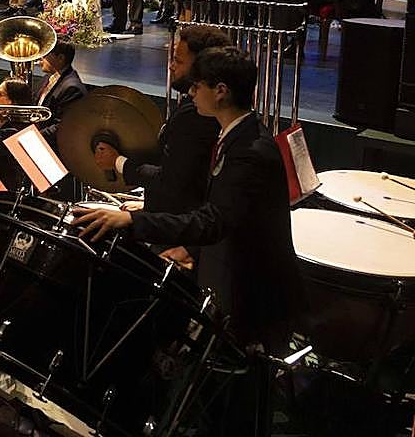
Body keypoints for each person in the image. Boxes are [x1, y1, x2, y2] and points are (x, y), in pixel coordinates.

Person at [76, 46, 304, 352]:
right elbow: (223, 207)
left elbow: (215, 221)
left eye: (198, 87)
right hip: (231, 271)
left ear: (221, 91)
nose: (192, 93)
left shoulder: (251, 152)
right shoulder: (236, 136)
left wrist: (132, 220)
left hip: (252, 290)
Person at [94, 25, 226, 214]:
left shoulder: (200, 114)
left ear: (201, 66)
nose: (171, 66)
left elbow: (173, 182)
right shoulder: (193, 105)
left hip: (177, 227)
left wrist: (117, 161)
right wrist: (149, 205)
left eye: (178, 61)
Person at [33, 42, 86, 149]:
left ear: (60, 58)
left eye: (46, 54)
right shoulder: (49, 77)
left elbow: (61, 127)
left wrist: (32, 137)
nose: (41, 57)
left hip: (49, 146)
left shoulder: (72, 88)